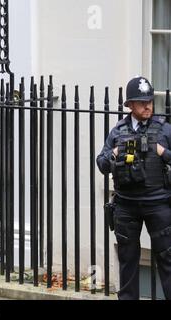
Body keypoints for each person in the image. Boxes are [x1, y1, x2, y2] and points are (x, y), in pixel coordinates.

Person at [97, 76, 171, 300]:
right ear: (130, 105)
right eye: (141, 102)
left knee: (167, 261)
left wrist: (161, 152)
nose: (148, 105)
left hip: (158, 204)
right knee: (128, 262)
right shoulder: (118, 131)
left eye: (149, 100)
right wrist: (116, 153)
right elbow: (101, 163)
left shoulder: (164, 129)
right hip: (126, 206)